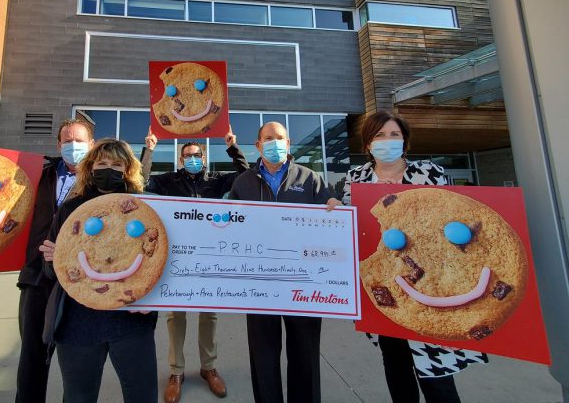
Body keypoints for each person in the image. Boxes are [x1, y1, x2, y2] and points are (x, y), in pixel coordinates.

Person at [342, 110, 487, 403]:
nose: (387, 141)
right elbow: (350, 224)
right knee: (395, 363)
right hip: (385, 284)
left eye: (394, 135)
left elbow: (450, 218)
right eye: (379, 135)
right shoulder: (356, 178)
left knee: (435, 371)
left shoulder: (428, 172)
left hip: (430, 282)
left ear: (405, 141)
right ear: (368, 143)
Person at [228, 121, 340, 403]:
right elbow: (231, 228)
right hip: (259, 284)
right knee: (263, 354)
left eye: (280, 138)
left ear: (288, 144)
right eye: (268, 138)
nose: (274, 143)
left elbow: (330, 222)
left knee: (305, 352)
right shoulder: (243, 182)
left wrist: (335, 210)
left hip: (303, 283)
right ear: (258, 145)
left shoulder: (310, 178)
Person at [39, 139, 158, 403]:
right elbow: (51, 272)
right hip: (77, 326)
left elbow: (159, 264)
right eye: (102, 163)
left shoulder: (145, 209)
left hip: (131, 322)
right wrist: (51, 259)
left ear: (127, 170)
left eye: (117, 164)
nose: (109, 169)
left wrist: (154, 299)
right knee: (78, 396)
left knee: (142, 395)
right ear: (90, 167)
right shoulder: (71, 209)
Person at [140, 127, 249, 403]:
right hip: (177, 256)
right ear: (180, 160)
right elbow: (139, 182)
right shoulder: (167, 181)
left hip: (209, 256)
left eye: (196, 155)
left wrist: (233, 148)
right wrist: (149, 150)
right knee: (175, 315)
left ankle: (208, 368)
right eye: (187, 155)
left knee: (209, 314)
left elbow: (245, 176)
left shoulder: (215, 180)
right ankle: (176, 372)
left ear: (203, 157)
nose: (192, 158)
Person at [15, 119, 94, 403]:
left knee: (76, 359)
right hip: (37, 275)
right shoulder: (38, 174)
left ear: (92, 145)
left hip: (80, 278)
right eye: (68, 141)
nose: (74, 146)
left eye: (80, 141)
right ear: (59, 145)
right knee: (32, 356)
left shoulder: (100, 181)